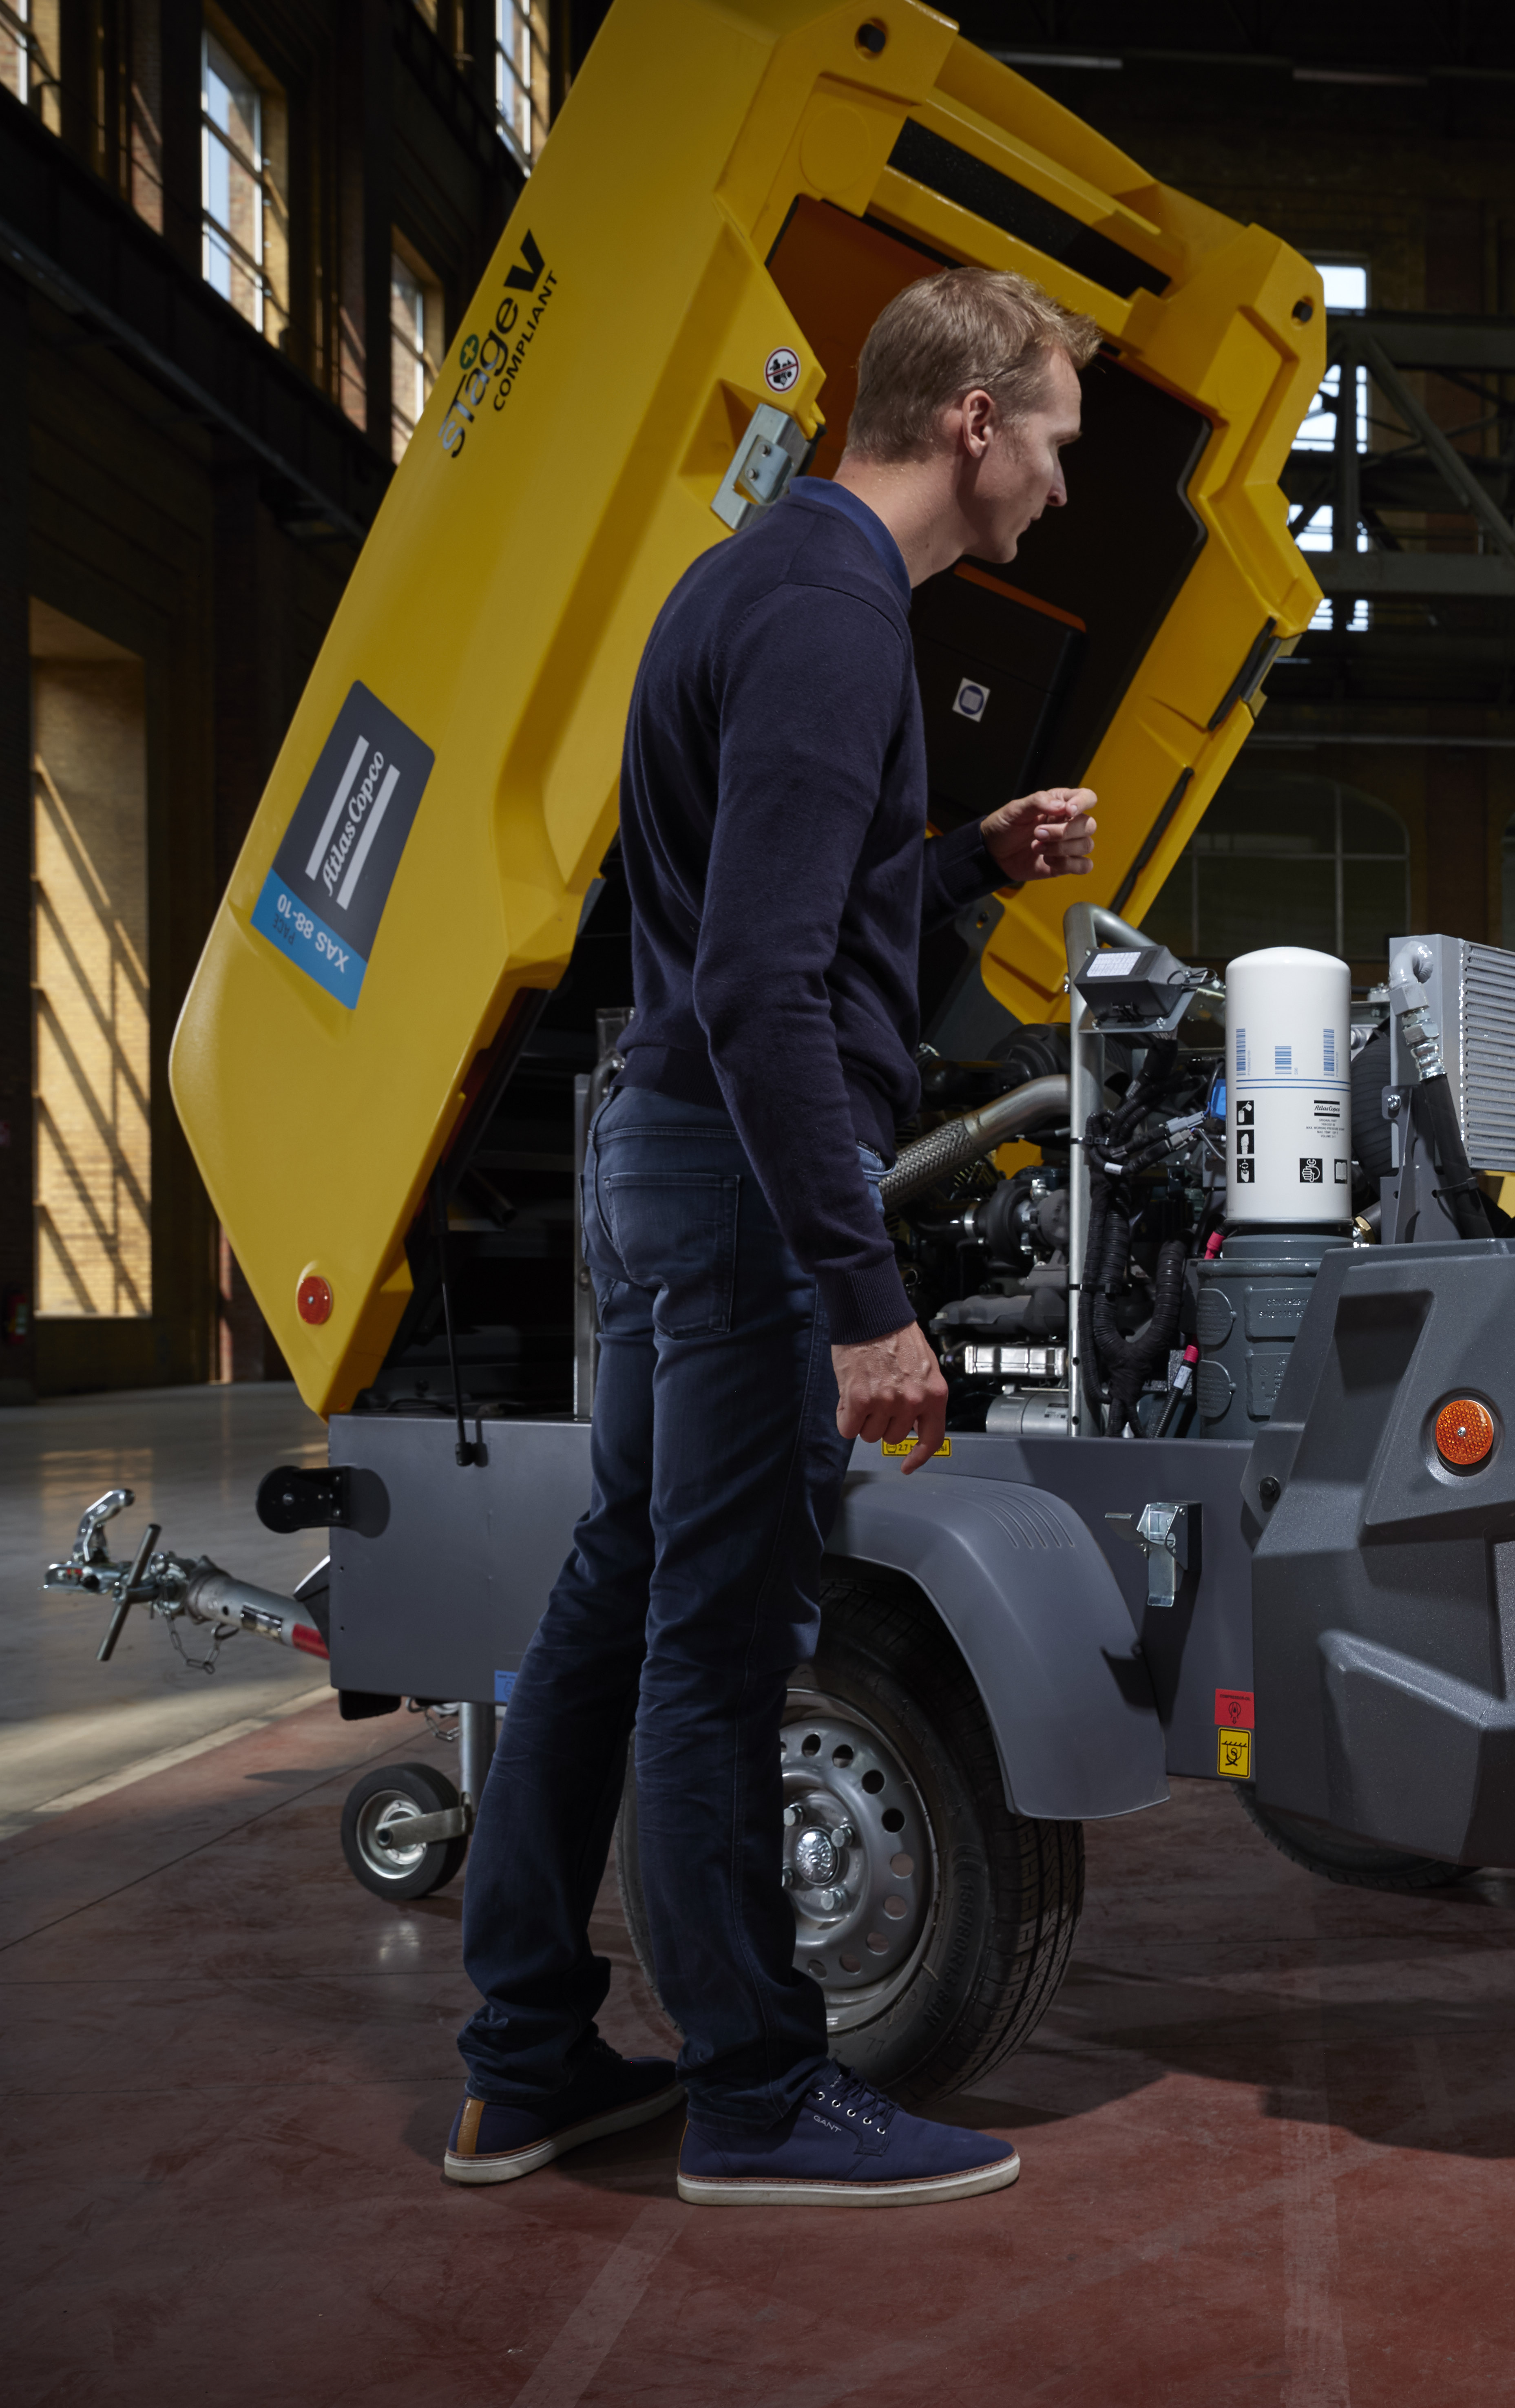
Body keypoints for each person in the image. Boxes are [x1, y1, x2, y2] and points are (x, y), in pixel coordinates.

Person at [445, 267, 1100, 2206]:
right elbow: (761, 980)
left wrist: (968, 858)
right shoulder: (837, 621)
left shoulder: (747, 581)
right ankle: (753, 2087)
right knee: (724, 1640)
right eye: (1057, 434)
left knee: (619, 1590)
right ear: (972, 419)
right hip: (736, 1175)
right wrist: (863, 1295)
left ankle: (526, 2054)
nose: (1064, 483)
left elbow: (760, 912)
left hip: (659, 1144)